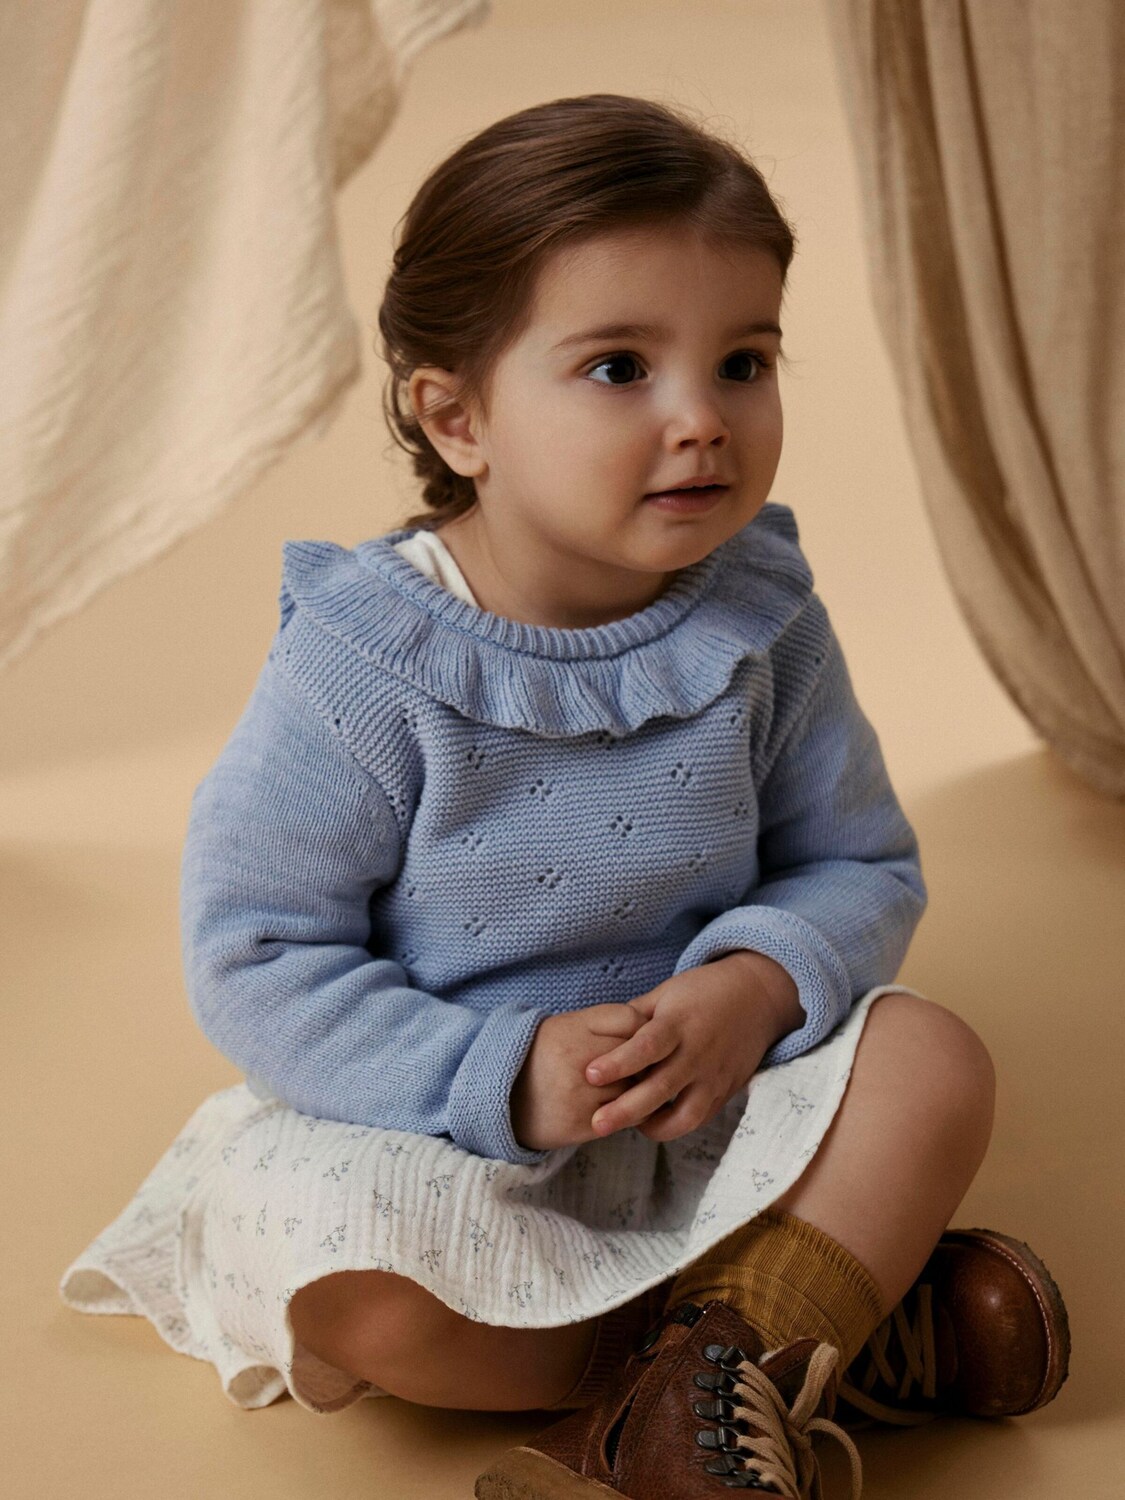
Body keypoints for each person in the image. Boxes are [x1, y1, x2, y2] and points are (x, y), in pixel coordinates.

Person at [59, 94, 1070, 1498]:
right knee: (354, 1306)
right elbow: (259, 956)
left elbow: (860, 866)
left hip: (712, 1097)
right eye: (618, 368)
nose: (700, 420)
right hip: (445, 1130)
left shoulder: (759, 617)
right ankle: (806, 1330)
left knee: (928, 1056)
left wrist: (753, 989)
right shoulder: (368, 662)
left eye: (742, 361)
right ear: (457, 415)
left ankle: (697, 1387)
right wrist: (499, 1076)